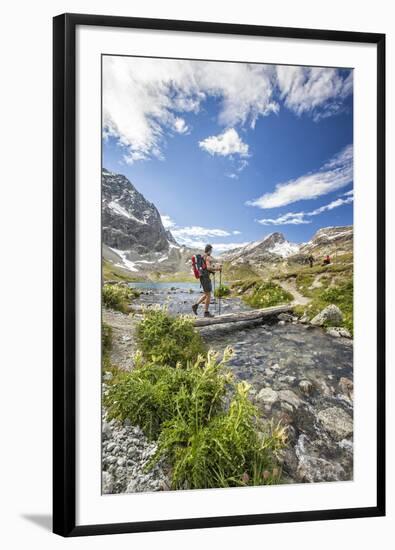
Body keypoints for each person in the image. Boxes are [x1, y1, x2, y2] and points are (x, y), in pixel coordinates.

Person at [192, 244, 222, 318]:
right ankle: (206, 312)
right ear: (209, 250)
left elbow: (205, 268)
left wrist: (212, 271)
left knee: (206, 294)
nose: (212, 251)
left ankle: (195, 305)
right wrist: (217, 269)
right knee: (208, 295)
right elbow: (208, 267)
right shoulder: (208, 257)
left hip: (202, 278)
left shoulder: (203, 257)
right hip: (205, 278)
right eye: (211, 250)